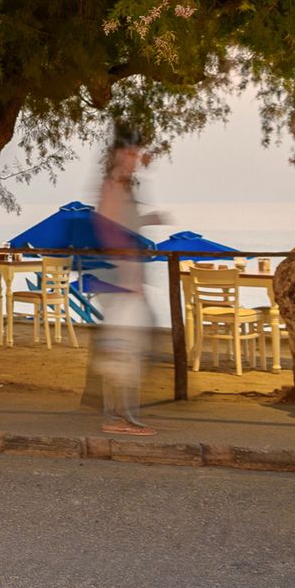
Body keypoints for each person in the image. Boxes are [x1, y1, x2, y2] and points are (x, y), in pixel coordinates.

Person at [93, 125, 163, 436]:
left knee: (127, 347)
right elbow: (107, 228)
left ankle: (123, 416)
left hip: (127, 275)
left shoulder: (124, 185)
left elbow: (123, 224)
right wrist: (127, 273)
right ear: (119, 154)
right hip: (119, 277)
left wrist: (148, 219)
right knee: (124, 349)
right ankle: (118, 418)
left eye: (138, 153)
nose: (136, 158)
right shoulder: (112, 186)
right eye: (132, 152)